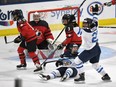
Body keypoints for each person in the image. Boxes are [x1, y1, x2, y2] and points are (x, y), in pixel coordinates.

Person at [71, 4, 111, 83]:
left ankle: (81, 77)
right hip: (96, 48)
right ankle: (105, 75)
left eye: (86, 24)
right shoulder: (95, 26)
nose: (84, 25)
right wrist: (95, 13)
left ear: (89, 25)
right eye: (84, 24)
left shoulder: (85, 32)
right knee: (95, 64)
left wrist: (73, 22)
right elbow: (95, 19)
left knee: (77, 61)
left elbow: (78, 32)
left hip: (90, 50)